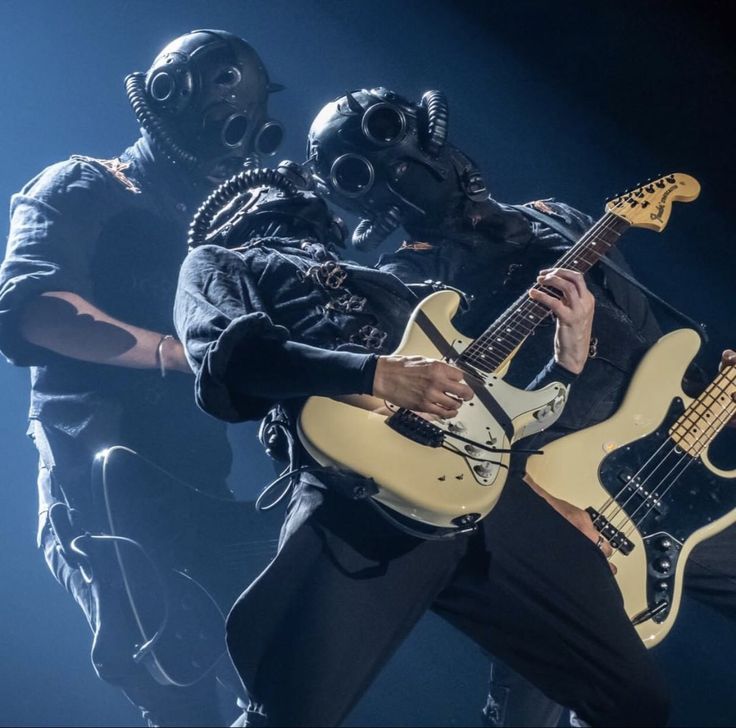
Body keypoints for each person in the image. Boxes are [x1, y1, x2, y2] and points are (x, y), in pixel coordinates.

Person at [173, 163, 669, 727]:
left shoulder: (387, 278)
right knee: (288, 716)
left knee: (634, 699)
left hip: (486, 491)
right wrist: (375, 374)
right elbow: (233, 363)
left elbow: (490, 410)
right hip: (360, 501)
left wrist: (567, 360)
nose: (301, 203)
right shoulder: (217, 261)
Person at [306, 87, 736, 726]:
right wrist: (566, 365)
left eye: (410, 142)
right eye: (381, 165)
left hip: (671, 476)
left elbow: (644, 333)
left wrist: (706, 386)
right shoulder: (410, 283)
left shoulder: (554, 219)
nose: (415, 168)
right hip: (556, 498)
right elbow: (458, 416)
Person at [0, 30, 283, 727]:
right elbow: (34, 311)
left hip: (203, 487)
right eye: (226, 114)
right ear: (173, 97)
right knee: (176, 685)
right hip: (103, 489)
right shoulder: (83, 185)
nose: (235, 137)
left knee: (283, 671)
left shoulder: (225, 226)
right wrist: (172, 352)